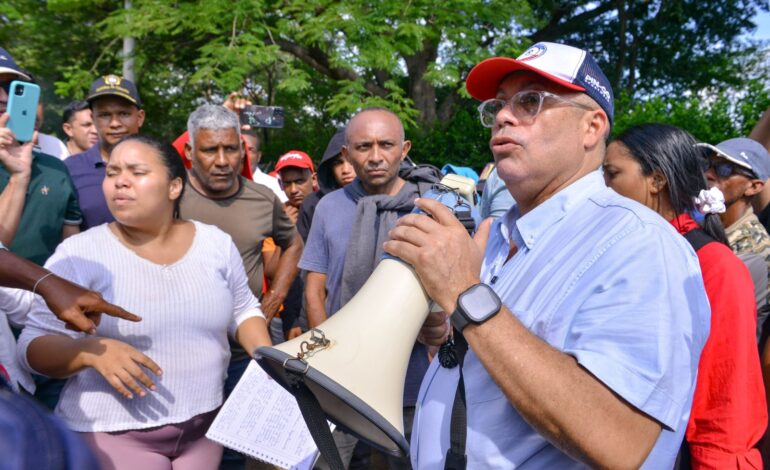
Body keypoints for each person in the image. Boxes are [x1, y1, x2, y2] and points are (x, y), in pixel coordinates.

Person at [384, 42, 710, 469]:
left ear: (592, 128)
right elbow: (501, 355)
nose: (502, 116)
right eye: (499, 104)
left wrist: (465, 294)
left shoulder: (641, 244)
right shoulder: (503, 234)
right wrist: (445, 326)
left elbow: (620, 440)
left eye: (531, 101)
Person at [17, 134, 272, 470]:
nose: (120, 182)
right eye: (111, 173)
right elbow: (32, 346)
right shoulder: (80, 254)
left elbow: (243, 309)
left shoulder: (215, 244)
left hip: (203, 432)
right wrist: (88, 353)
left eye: (137, 172)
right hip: (114, 437)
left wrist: (270, 365)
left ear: (174, 187)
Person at [604, 123, 767, 468]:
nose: (602, 190)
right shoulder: (616, 252)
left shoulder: (716, 267)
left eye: (612, 174)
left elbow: (725, 408)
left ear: (657, 181)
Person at [300, 107, 436, 469]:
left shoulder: (431, 207)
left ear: (404, 148)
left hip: (412, 374)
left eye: (386, 145)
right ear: (346, 154)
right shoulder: (328, 207)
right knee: (327, 462)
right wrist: (326, 355)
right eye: (363, 147)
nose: (375, 156)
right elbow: (315, 288)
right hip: (340, 371)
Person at [0, 48, 82, 265]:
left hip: (43, 296)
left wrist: (18, 176)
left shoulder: (56, 169)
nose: (4, 97)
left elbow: (72, 246)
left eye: (10, 87)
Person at [697, 137, 770, 342]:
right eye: (706, 164)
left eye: (725, 169)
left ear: (754, 187)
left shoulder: (754, 253)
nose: (708, 174)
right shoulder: (699, 222)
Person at [65, 74, 145, 230]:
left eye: (124, 114)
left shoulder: (161, 165)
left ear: (140, 117)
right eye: (104, 115)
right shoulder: (70, 169)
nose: (115, 123)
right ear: (93, 118)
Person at [297, 128, 354, 242]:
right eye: (338, 163)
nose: (346, 170)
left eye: (351, 161)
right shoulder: (313, 204)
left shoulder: (379, 200)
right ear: (330, 168)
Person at [274, 150, 317, 224]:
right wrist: (283, 227)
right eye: (287, 183)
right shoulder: (276, 215)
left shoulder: (329, 208)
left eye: (299, 181)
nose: (293, 190)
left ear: (314, 179)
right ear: (280, 184)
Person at [243, 131, 287, 202]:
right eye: (239, 148)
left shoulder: (274, 186)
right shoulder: (224, 185)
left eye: (250, 150)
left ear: (259, 156)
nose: (244, 154)